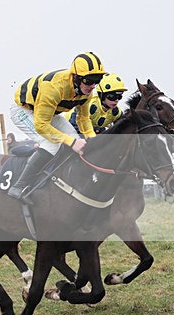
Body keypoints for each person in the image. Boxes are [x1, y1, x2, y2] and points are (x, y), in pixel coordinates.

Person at [7, 52, 107, 202]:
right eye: (89, 80)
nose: (92, 85)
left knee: (75, 139)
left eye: (97, 80)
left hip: (49, 112)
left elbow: (84, 119)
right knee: (52, 143)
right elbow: (41, 125)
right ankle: (19, 186)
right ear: (76, 77)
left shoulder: (87, 92)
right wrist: (72, 143)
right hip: (24, 110)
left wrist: (93, 140)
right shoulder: (53, 88)